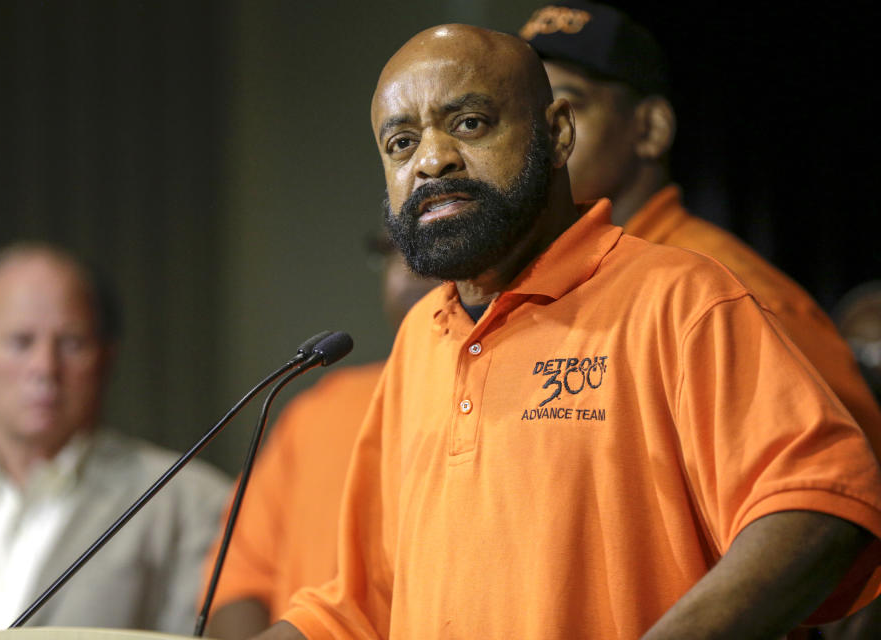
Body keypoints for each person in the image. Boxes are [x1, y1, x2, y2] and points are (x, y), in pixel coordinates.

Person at [248, 24, 881, 639]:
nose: (432, 160)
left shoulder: (682, 299)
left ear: (556, 135)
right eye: (401, 143)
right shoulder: (422, 337)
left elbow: (819, 508)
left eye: (469, 124)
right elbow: (365, 605)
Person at [519, 1, 881, 459]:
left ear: (651, 129)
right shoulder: (551, 285)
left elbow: (845, 490)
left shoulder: (733, 291)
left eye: (569, 108)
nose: (542, 134)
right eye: (527, 114)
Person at [0, 242, 231, 635]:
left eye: (72, 343)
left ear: (106, 358)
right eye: (21, 342)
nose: (45, 367)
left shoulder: (189, 502)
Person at [203, 242, 438, 639]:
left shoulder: (526, 406)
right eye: (391, 248)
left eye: (427, 243)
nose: (406, 270)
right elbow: (239, 580)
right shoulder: (317, 411)